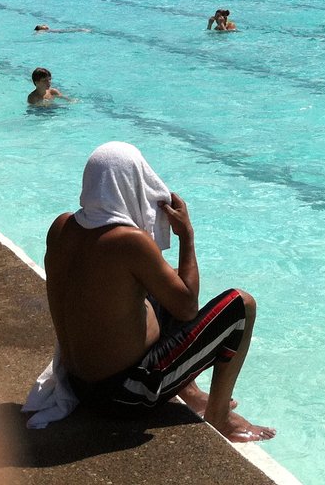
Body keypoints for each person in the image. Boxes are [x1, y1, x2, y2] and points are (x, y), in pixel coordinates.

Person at [25, 141, 274, 441]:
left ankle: (191, 394)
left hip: (78, 384)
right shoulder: (129, 242)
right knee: (240, 306)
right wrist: (187, 236)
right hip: (123, 396)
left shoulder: (62, 227)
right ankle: (220, 417)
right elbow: (187, 308)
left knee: (156, 285)